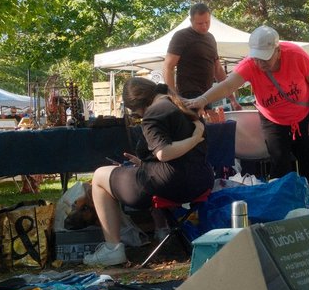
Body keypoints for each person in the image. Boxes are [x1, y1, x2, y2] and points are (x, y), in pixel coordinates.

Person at [184, 26, 309, 209]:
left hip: (305, 115)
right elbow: (228, 86)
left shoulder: (297, 55)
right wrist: (202, 99)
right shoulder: (250, 64)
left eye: (265, 58)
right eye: (257, 58)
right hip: (273, 119)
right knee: (279, 164)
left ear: (278, 51)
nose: (261, 64)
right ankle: (284, 210)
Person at [85, 78, 213, 267]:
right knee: (130, 174)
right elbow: (177, 154)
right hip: (200, 181)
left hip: (170, 183)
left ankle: (112, 249)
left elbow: (164, 152)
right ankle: (161, 229)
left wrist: (195, 139)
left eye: (135, 113)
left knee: (99, 176)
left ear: (137, 105)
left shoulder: (154, 113)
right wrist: (144, 162)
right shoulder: (182, 105)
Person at [163, 2, 239, 109]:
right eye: (200, 23)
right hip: (189, 95)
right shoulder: (181, 36)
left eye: (207, 22)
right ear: (191, 21)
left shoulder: (211, 38)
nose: (204, 26)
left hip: (208, 94)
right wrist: (173, 97)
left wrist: (232, 99)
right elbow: (168, 66)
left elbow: (217, 69)